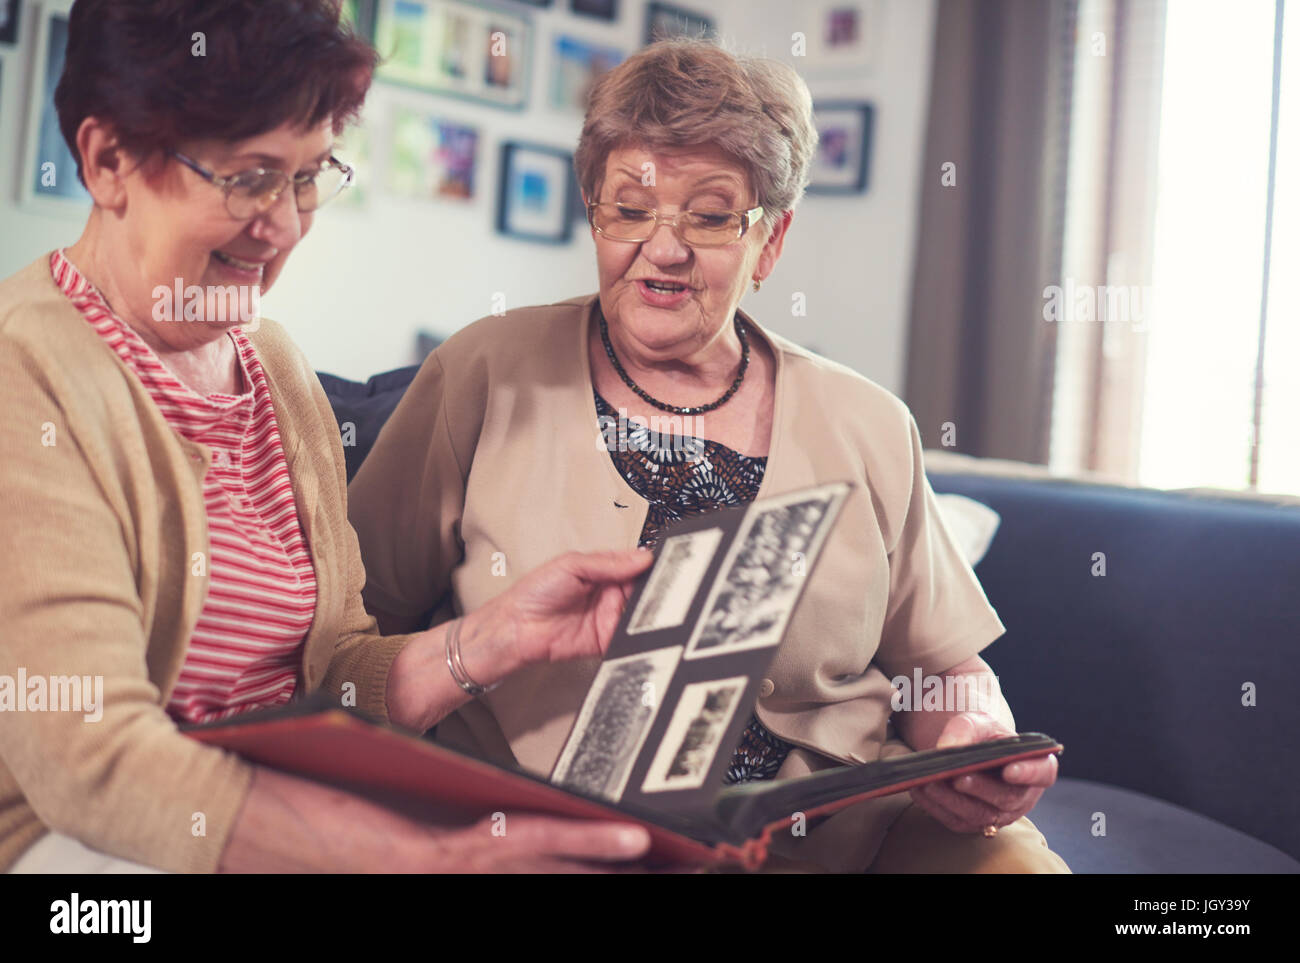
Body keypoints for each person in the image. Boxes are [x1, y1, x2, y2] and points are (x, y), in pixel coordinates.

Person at [349, 39, 1069, 873]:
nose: (664, 246)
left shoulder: (868, 421)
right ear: (593, 213)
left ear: (770, 241)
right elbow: (351, 639)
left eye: (711, 213)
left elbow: (942, 663)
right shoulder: (482, 371)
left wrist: (972, 734)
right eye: (631, 207)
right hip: (553, 838)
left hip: (843, 838)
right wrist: (485, 645)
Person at [0, 0, 659, 874]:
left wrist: (494, 638)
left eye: (308, 177)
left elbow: (336, 671)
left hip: (284, 820)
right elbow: (96, 760)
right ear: (108, 159)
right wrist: (422, 859)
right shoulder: (27, 374)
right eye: (249, 176)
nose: (284, 224)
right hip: (84, 854)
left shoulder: (272, 362)